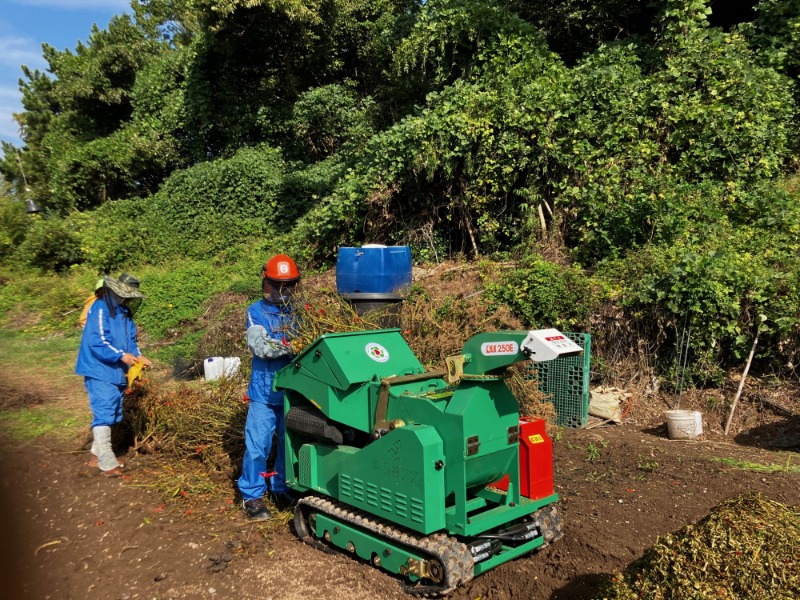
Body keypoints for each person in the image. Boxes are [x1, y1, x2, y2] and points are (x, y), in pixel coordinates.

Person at [238, 254, 301, 520]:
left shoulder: (300, 311)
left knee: (288, 445)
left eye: (288, 285)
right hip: (264, 392)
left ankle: (279, 487)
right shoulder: (255, 312)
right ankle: (252, 496)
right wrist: (293, 347)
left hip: (292, 392)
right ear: (267, 283)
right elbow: (260, 346)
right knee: (258, 446)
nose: (282, 290)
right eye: (277, 284)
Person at [75, 273, 151, 477]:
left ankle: (95, 455)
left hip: (117, 371)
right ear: (112, 290)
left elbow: (131, 342)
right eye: (122, 294)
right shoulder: (99, 308)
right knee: (104, 413)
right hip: (99, 368)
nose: (125, 298)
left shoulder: (125, 314)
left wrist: (139, 356)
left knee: (114, 413)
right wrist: (120, 355)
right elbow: (97, 340)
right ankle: (107, 463)